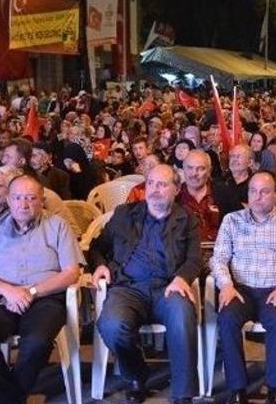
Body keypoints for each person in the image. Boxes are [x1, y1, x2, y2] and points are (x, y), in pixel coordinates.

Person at [0, 175, 83, 404]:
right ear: (8, 199)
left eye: (31, 198)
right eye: (17, 197)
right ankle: (11, 398)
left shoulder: (57, 226)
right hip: (0, 299)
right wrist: (8, 291)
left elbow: (71, 272)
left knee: (37, 342)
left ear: (42, 200)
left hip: (45, 298)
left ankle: (3, 399)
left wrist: (32, 291)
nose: (23, 204)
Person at [89, 164, 201, 404]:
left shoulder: (186, 219)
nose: (154, 190)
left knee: (183, 316)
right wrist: (100, 265)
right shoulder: (124, 214)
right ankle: (137, 375)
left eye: (162, 184)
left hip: (168, 287)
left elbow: (194, 259)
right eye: (151, 183)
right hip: (128, 288)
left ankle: (183, 393)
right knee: (111, 325)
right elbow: (97, 247)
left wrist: (182, 278)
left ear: (176, 189)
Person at [210, 171, 276, 404]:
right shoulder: (232, 220)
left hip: (274, 288)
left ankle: (275, 389)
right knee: (227, 319)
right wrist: (225, 285)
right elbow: (218, 258)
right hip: (239, 289)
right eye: (253, 191)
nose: (257, 197)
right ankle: (237, 389)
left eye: (265, 192)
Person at [177, 150, 220, 242]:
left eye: (200, 168)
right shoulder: (174, 196)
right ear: (183, 169)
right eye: (190, 168)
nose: (194, 174)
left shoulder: (223, 193)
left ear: (209, 171)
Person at [213, 144, 253, 217]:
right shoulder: (219, 182)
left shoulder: (256, 184)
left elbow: (257, 210)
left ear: (250, 162)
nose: (234, 159)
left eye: (239, 156)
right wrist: (242, 205)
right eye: (232, 156)